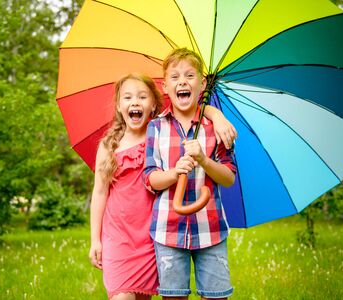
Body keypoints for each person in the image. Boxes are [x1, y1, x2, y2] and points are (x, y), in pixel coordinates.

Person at [89, 73, 237, 300]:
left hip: (150, 236)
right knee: (122, 296)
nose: (135, 103)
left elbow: (189, 112)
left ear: (153, 106)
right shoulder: (109, 145)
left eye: (142, 97)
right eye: (127, 98)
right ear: (119, 106)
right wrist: (95, 239)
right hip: (117, 236)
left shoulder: (159, 131)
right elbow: (99, 193)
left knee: (142, 297)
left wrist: (215, 115)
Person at [143, 48, 237, 300]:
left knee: (216, 296)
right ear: (165, 86)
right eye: (174, 77)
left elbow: (228, 177)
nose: (182, 82)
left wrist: (204, 160)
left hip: (211, 229)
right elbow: (150, 177)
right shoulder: (156, 127)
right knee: (173, 296)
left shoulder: (217, 128)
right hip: (168, 231)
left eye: (189, 76)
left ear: (202, 84)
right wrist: (175, 172)